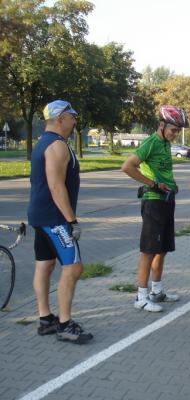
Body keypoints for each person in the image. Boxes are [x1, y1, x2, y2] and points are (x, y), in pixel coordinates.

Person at [28, 100, 93, 344]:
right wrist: (71, 221)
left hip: (40, 215)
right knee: (74, 267)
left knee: (45, 265)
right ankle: (65, 324)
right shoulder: (57, 146)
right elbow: (56, 187)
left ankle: (45, 319)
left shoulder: (43, 143)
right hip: (54, 218)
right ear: (60, 118)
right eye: (72, 117)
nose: (75, 122)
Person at [121, 105, 189, 312]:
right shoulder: (151, 143)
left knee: (162, 249)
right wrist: (152, 184)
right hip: (153, 202)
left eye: (177, 131)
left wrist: (171, 184)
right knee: (149, 251)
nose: (175, 134)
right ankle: (141, 297)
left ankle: (157, 291)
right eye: (173, 130)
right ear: (162, 125)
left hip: (166, 201)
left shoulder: (165, 144)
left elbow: (162, 171)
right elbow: (127, 166)